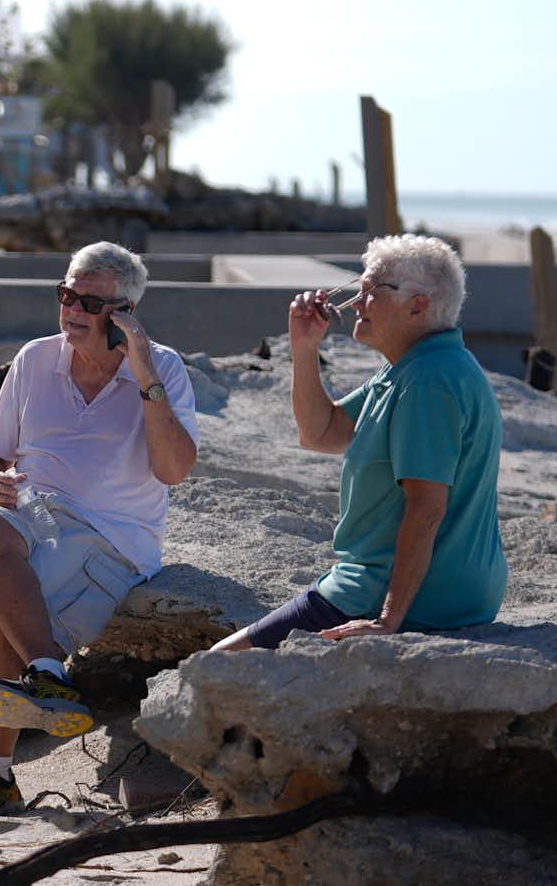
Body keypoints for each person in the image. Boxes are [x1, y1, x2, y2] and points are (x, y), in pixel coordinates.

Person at [0, 242, 200, 823]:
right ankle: (49, 673)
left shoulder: (164, 368)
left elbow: (174, 471)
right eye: (66, 295)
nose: (72, 310)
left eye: (89, 302)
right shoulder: (34, 359)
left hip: (112, 538)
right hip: (29, 514)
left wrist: (144, 373)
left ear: (124, 312)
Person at [214, 233, 505, 652]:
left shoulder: (426, 380)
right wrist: (304, 349)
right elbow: (322, 433)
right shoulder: (415, 367)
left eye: (371, 292)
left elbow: (426, 507)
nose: (353, 303)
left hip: (401, 593)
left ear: (418, 305)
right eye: (357, 289)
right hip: (436, 586)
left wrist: (387, 620)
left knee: (215, 663)